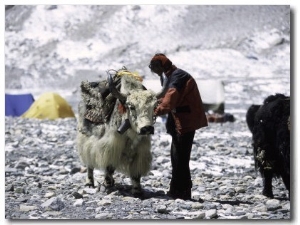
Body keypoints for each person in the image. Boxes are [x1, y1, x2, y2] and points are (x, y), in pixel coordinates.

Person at [149, 53, 208, 200]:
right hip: (180, 122)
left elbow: (170, 99)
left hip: (185, 122)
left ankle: (183, 192)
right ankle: (176, 190)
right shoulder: (171, 75)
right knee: (177, 157)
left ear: (161, 65)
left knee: (181, 158)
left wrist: (153, 111)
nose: (154, 71)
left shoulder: (177, 77)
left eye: (155, 67)